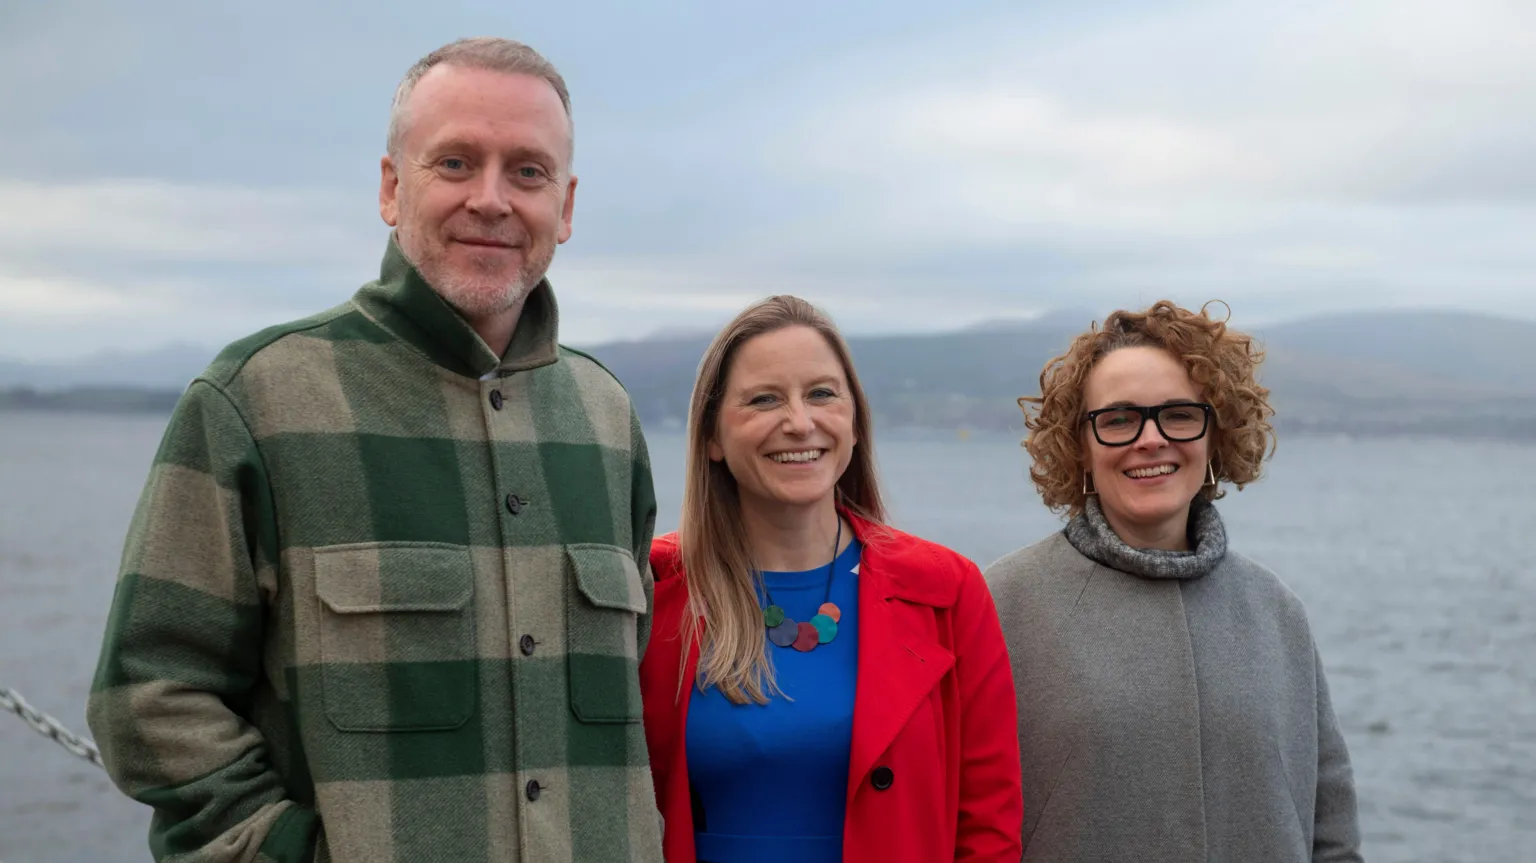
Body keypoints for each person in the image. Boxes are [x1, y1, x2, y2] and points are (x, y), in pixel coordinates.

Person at [86, 38, 663, 862]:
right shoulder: (255, 399)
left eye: (528, 172)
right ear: (393, 187)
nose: (492, 200)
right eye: (456, 162)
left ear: (565, 207)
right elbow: (148, 696)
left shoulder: (607, 417)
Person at [637, 295, 1023, 863]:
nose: (799, 422)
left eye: (821, 393)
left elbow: (988, 823)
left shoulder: (947, 590)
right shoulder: (653, 586)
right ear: (713, 438)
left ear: (854, 419)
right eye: (764, 399)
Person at [984, 300, 1362, 862]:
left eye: (1180, 414)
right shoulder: (1001, 605)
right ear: (1079, 448)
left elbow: (1330, 832)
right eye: (1117, 419)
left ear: (1216, 435)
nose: (1151, 439)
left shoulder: (1275, 610)